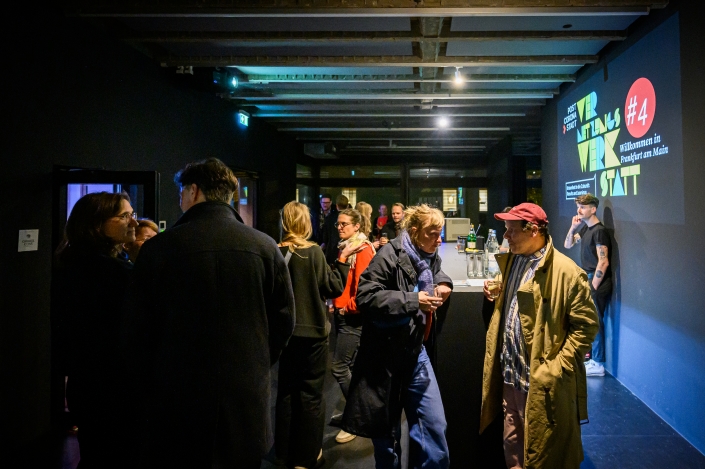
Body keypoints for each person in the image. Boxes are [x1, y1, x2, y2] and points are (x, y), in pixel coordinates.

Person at [121, 158, 295, 469]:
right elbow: (284, 320)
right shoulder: (265, 247)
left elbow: (138, 327)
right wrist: (255, 358)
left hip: (177, 398)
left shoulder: (159, 249)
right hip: (245, 399)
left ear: (193, 191)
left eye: (181, 192)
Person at [480, 203, 598, 469]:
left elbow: (586, 326)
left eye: (511, 230)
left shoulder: (567, 272)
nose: (506, 236)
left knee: (543, 454)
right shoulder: (512, 260)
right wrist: (496, 292)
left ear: (533, 230)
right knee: (513, 447)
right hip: (511, 377)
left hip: (540, 385)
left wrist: (554, 369)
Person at [342, 204, 453, 469]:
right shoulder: (389, 254)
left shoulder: (426, 252)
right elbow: (366, 296)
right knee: (387, 443)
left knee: (434, 428)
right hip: (383, 358)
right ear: (414, 231)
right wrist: (413, 300)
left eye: (440, 233)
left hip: (415, 352)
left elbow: (434, 269)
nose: (439, 240)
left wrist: (444, 282)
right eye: (433, 233)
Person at [274, 201, 364, 469]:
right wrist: (343, 260)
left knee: (286, 393)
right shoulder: (312, 252)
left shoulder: (274, 251)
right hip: (313, 335)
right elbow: (333, 287)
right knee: (311, 396)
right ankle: (307, 457)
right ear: (305, 222)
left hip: (284, 335)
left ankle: (284, 453)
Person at [51, 191, 138, 468]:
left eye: (133, 214)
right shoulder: (114, 272)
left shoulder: (68, 263)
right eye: (124, 216)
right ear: (97, 224)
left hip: (85, 383)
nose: (134, 222)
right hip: (114, 386)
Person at [330, 208, 376, 444]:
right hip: (343, 314)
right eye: (338, 224)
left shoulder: (362, 249)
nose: (340, 227)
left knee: (339, 367)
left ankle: (357, 418)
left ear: (357, 226)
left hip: (352, 318)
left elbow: (363, 290)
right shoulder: (347, 247)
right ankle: (354, 413)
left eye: (344, 224)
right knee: (353, 368)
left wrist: (346, 307)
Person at [564, 193, 612, 377]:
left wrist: (593, 286)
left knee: (596, 321)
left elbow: (603, 261)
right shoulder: (586, 229)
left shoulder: (599, 231)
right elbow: (568, 245)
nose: (579, 210)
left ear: (593, 209)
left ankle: (598, 364)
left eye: (583, 207)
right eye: (578, 206)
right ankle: (593, 359)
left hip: (595, 281)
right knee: (590, 320)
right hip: (587, 278)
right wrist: (573, 227)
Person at [321, 194, 349, 264]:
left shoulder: (329, 218)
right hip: (347, 250)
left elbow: (325, 238)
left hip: (332, 252)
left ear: (336, 206)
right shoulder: (350, 219)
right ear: (347, 206)